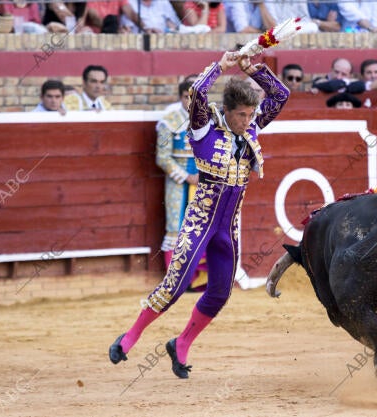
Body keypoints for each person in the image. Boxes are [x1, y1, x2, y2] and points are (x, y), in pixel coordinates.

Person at [109, 50, 290, 379]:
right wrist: (221, 66)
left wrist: (252, 69)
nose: (249, 121)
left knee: (221, 292)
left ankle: (181, 343)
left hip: (228, 228)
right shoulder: (203, 129)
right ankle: (130, 336)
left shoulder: (251, 131)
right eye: (242, 115)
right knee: (175, 287)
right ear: (227, 111)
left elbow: (281, 95)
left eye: (251, 114)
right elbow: (198, 93)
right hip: (200, 222)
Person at [156, 80, 208, 293]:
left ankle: (200, 280)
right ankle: (177, 281)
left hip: (203, 182)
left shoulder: (208, 121)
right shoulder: (169, 121)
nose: (192, 101)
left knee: (203, 227)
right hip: (178, 184)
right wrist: (187, 177)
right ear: (181, 97)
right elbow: (162, 157)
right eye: (188, 97)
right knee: (176, 227)